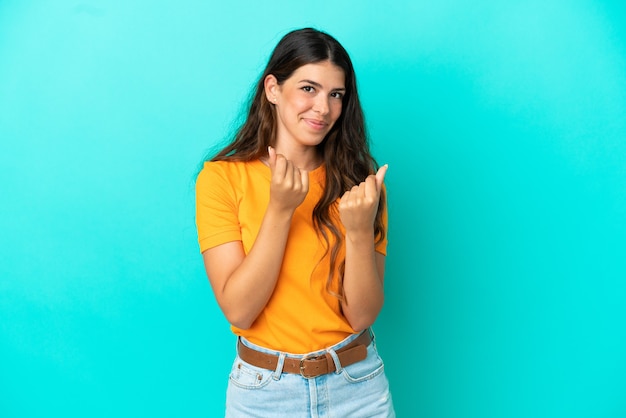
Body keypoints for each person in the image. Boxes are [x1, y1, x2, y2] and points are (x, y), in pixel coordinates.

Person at [195, 27, 395, 417]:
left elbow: (362, 315)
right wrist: (280, 209)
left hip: (358, 387)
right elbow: (239, 310)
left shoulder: (362, 186)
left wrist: (357, 232)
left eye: (336, 95)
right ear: (273, 88)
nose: (323, 108)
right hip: (264, 394)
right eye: (308, 88)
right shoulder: (221, 179)